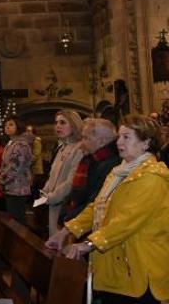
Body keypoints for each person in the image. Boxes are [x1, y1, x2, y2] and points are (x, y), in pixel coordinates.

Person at [45, 115, 169, 304]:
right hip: (116, 268)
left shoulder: (152, 178)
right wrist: (67, 230)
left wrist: (87, 245)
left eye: (126, 137)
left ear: (146, 143)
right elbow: (97, 206)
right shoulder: (119, 171)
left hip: (139, 270)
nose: (119, 142)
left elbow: (126, 222)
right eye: (119, 136)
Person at [61, 118, 120, 224]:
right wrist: (65, 213)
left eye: (85, 138)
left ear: (101, 141)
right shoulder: (89, 159)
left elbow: (95, 200)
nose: (81, 143)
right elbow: (74, 192)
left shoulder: (112, 164)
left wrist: (71, 218)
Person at [40, 109, 84, 235]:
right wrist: (45, 192)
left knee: (63, 246)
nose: (58, 126)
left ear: (74, 125)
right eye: (56, 122)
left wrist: (52, 197)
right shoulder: (62, 147)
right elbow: (52, 175)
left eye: (63, 122)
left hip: (66, 204)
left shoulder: (79, 148)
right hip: (52, 202)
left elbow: (72, 180)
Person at [0, 116, 33, 224]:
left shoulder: (21, 144)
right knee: (12, 220)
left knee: (18, 221)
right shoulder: (11, 143)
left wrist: (0, 180)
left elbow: (15, 167)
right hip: (10, 187)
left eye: (11, 124)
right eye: (6, 125)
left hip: (18, 188)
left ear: (18, 126)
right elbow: (4, 164)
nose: (7, 127)